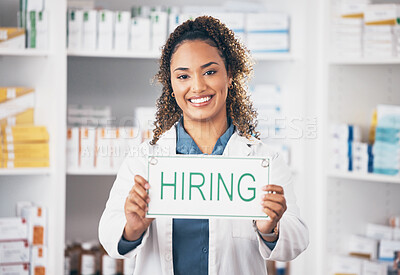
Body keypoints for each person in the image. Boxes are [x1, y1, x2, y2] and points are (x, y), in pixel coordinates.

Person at [99, 15, 309, 275]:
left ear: (230, 74)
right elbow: (108, 232)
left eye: (209, 72)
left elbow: (297, 240)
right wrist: (132, 229)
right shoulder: (145, 159)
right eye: (183, 76)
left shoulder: (262, 160)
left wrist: (271, 229)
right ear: (172, 85)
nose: (197, 87)